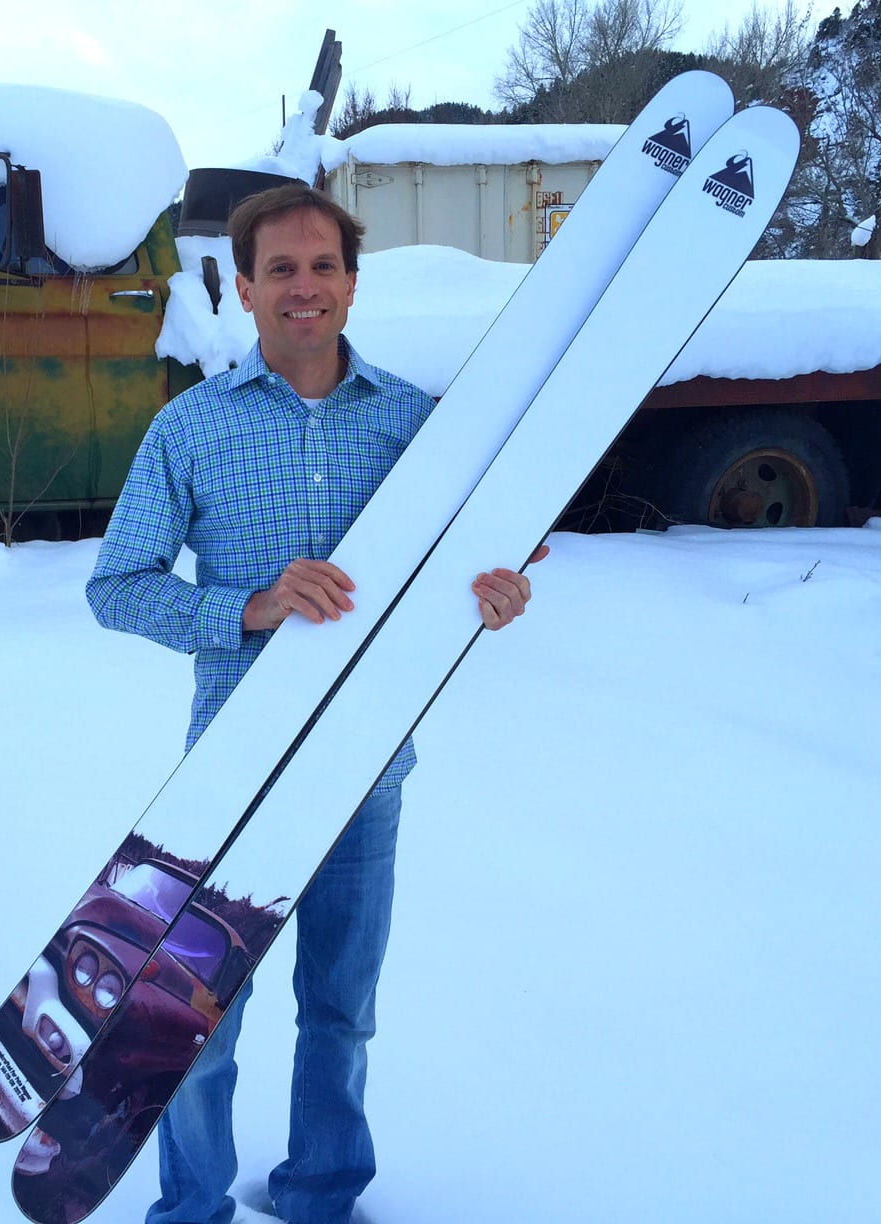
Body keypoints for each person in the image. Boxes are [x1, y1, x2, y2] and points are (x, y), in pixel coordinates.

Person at [85, 183, 543, 1224]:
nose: (304, 287)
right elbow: (116, 587)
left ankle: (323, 1197)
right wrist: (248, 608)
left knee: (341, 1011)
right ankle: (192, 1207)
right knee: (193, 1020)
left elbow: (464, 568)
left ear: (350, 282)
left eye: (324, 266)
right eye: (281, 269)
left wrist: (495, 595)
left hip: (366, 769)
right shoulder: (189, 429)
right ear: (244, 288)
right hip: (233, 769)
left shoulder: (418, 423)